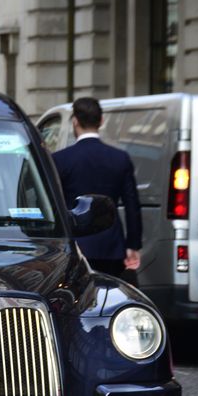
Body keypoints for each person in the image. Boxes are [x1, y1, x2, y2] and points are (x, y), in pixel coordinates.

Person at [52, 97, 141, 279]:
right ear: (101, 121)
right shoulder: (120, 158)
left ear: (75, 121)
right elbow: (132, 205)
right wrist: (133, 244)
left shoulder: (61, 159)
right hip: (112, 247)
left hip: (74, 246)